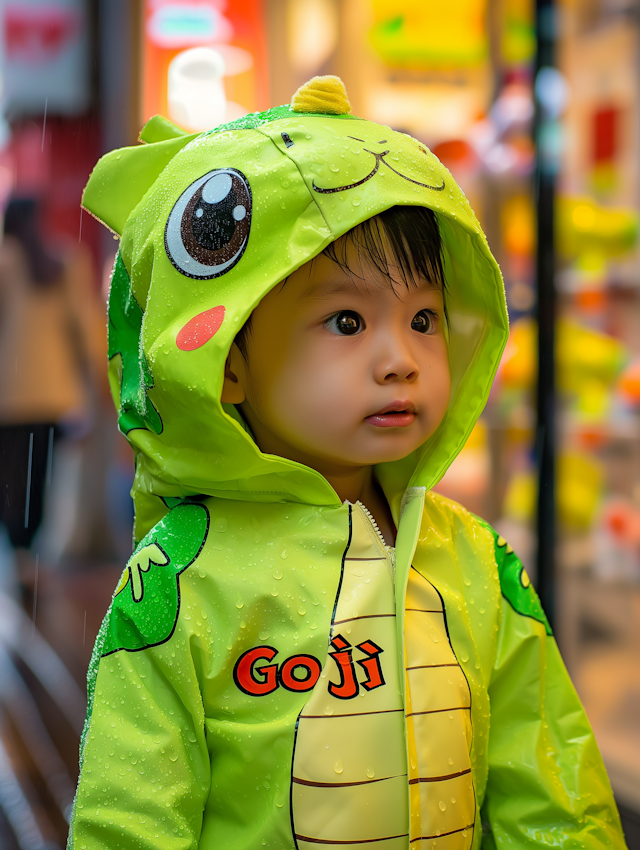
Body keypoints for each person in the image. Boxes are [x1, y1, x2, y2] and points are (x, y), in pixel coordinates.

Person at [67, 77, 627, 849]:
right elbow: (130, 823)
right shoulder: (181, 586)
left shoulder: (471, 559)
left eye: (424, 318)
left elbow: (551, 788)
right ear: (229, 360)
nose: (401, 360)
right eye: (347, 319)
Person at [0, 198, 105, 584]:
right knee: (35, 477)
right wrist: (96, 378)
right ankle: (29, 558)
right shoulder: (65, 261)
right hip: (54, 396)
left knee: (10, 480)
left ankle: (19, 552)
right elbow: (84, 329)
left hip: (9, 398)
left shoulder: (6, 260)